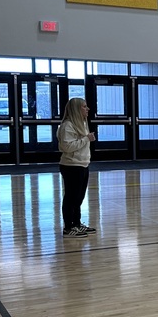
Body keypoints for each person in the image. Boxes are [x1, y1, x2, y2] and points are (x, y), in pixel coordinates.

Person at [57, 97, 97, 237]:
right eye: (84, 106)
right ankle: (68, 227)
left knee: (79, 197)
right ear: (76, 109)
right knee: (71, 197)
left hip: (83, 164)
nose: (87, 109)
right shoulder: (68, 125)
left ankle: (77, 223)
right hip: (71, 165)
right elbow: (66, 146)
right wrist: (86, 139)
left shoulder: (82, 123)